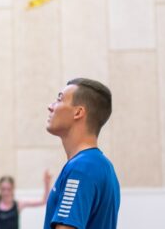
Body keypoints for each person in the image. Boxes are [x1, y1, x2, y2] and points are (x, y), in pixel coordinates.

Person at [43, 78, 120, 229]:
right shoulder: (103, 166)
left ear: (78, 112)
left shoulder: (82, 168)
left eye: (59, 99)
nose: (50, 107)